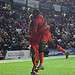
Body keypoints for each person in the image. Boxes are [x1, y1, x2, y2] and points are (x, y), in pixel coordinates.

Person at [29, 9, 69, 75]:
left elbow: (34, 32)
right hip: (47, 34)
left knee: (39, 51)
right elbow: (44, 25)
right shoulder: (41, 17)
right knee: (53, 45)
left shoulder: (35, 21)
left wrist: (32, 36)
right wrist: (46, 27)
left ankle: (39, 66)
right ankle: (65, 52)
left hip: (41, 36)